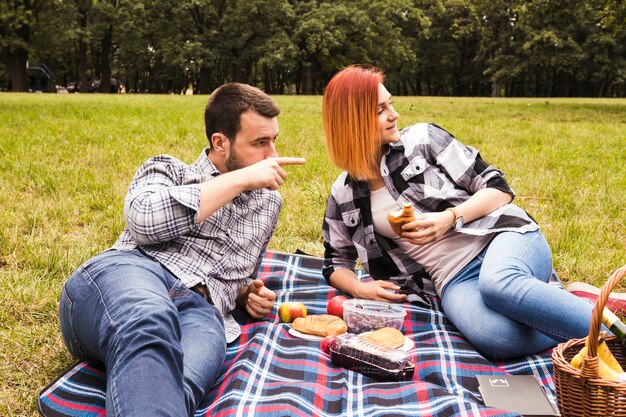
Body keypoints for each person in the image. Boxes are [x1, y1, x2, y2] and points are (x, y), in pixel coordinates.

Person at [59, 83, 305, 416]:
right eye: (260, 143)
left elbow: (238, 275)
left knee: (180, 384)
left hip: (202, 312)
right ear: (220, 142)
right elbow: (143, 221)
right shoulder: (169, 170)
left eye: (274, 140)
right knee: (148, 322)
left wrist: (246, 294)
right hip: (132, 273)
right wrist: (240, 180)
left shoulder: (267, 204)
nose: (272, 156)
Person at [320, 65, 597, 360]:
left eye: (391, 104)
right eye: (380, 110)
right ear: (352, 122)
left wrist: (449, 218)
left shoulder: (423, 140)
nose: (394, 114)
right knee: (498, 339)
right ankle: (578, 306)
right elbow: (336, 262)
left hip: (500, 237)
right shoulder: (343, 194)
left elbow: (498, 188)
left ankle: (611, 331)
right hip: (452, 279)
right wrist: (361, 290)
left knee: (498, 285)